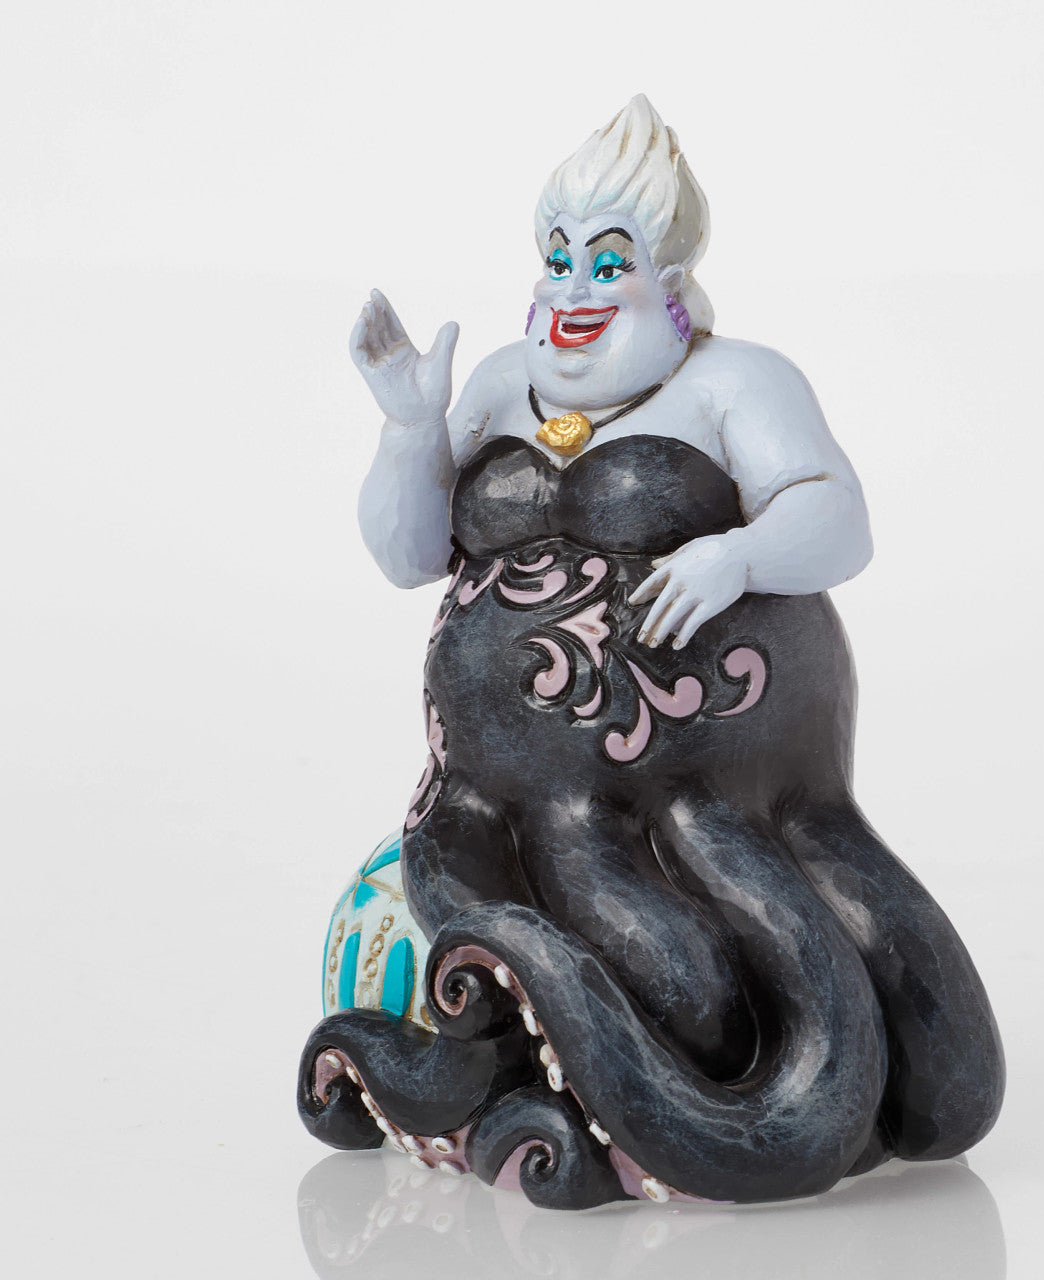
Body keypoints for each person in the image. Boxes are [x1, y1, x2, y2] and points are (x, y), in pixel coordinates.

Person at [298, 95, 1004, 1209]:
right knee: (655, 972)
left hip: (705, 803)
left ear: (667, 276)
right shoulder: (498, 383)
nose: (575, 289)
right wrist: (407, 428)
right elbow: (408, 555)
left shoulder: (736, 383)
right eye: (558, 258)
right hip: (506, 804)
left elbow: (839, 521)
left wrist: (737, 556)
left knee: (710, 991)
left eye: (608, 261)